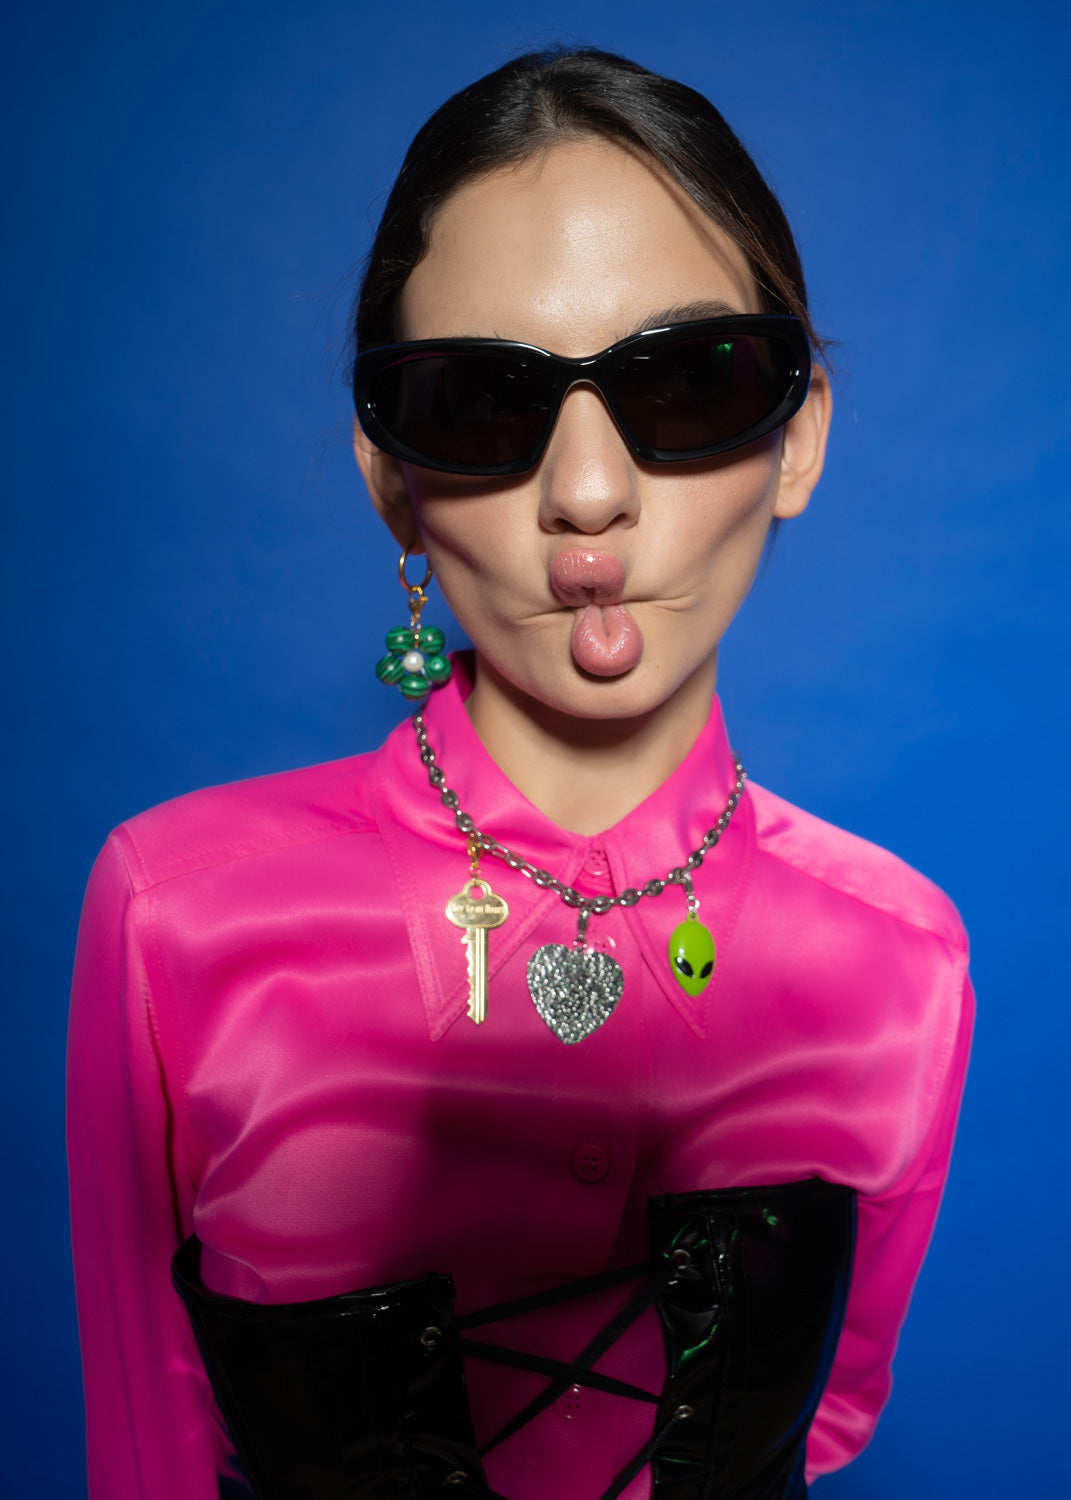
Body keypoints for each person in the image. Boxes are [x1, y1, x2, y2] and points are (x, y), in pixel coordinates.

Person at [67, 47, 973, 1500]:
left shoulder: (902, 962)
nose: (589, 494)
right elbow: (145, 1456)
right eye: (482, 402)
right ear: (392, 480)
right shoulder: (173, 916)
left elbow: (830, 1425)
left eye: (686, 379)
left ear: (799, 435)